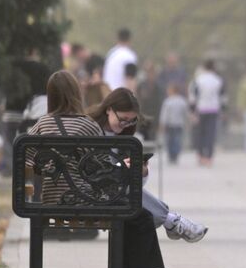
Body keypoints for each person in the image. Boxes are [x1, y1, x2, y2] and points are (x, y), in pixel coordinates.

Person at [30, 72, 170, 268]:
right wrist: (129, 168)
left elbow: (28, 163)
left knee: (129, 212)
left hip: (52, 200)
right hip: (85, 199)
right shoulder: (87, 125)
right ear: (77, 95)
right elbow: (104, 170)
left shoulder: (41, 125)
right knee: (138, 214)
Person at [89, 87, 208, 246]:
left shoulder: (124, 137)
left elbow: (133, 186)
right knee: (140, 216)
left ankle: (171, 221)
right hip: (91, 191)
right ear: (109, 110)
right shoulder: (91, 129)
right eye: (123, 118)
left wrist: (141, 172)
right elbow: (96, 172)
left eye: (131, 120)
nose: (126, 124)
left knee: (142, 218)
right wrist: (120, 171)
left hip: (112, 191)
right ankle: (171, 220)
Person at [188, 58, 225, 166]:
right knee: (210, 134)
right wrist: (223, 110)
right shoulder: (218, 80)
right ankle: (209, 157)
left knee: (200, 133)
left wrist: (192, 111)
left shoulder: (198, 80)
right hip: (213, 109)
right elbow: (222, 97)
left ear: (204, 67)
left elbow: (193, 96)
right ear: (214, 68)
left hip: (201, 109)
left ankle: (200, 155)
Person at [158, 84, 189, 164]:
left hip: (169, 124)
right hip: (179, 124)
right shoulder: (182, 101)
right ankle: (175, 155)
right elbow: (185, 113)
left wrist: (162, 124)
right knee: (177, 140)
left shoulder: (168, 101)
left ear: (172, 91)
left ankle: (171, 155)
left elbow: (164, 114)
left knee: (170, 140)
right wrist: (187, 122)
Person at [102, 28, 138, 93]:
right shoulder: (129, 56)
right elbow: (130, 79)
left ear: (117, 38)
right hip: (120, 96)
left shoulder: (111, 53)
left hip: (107, 94)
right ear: (130, 39)